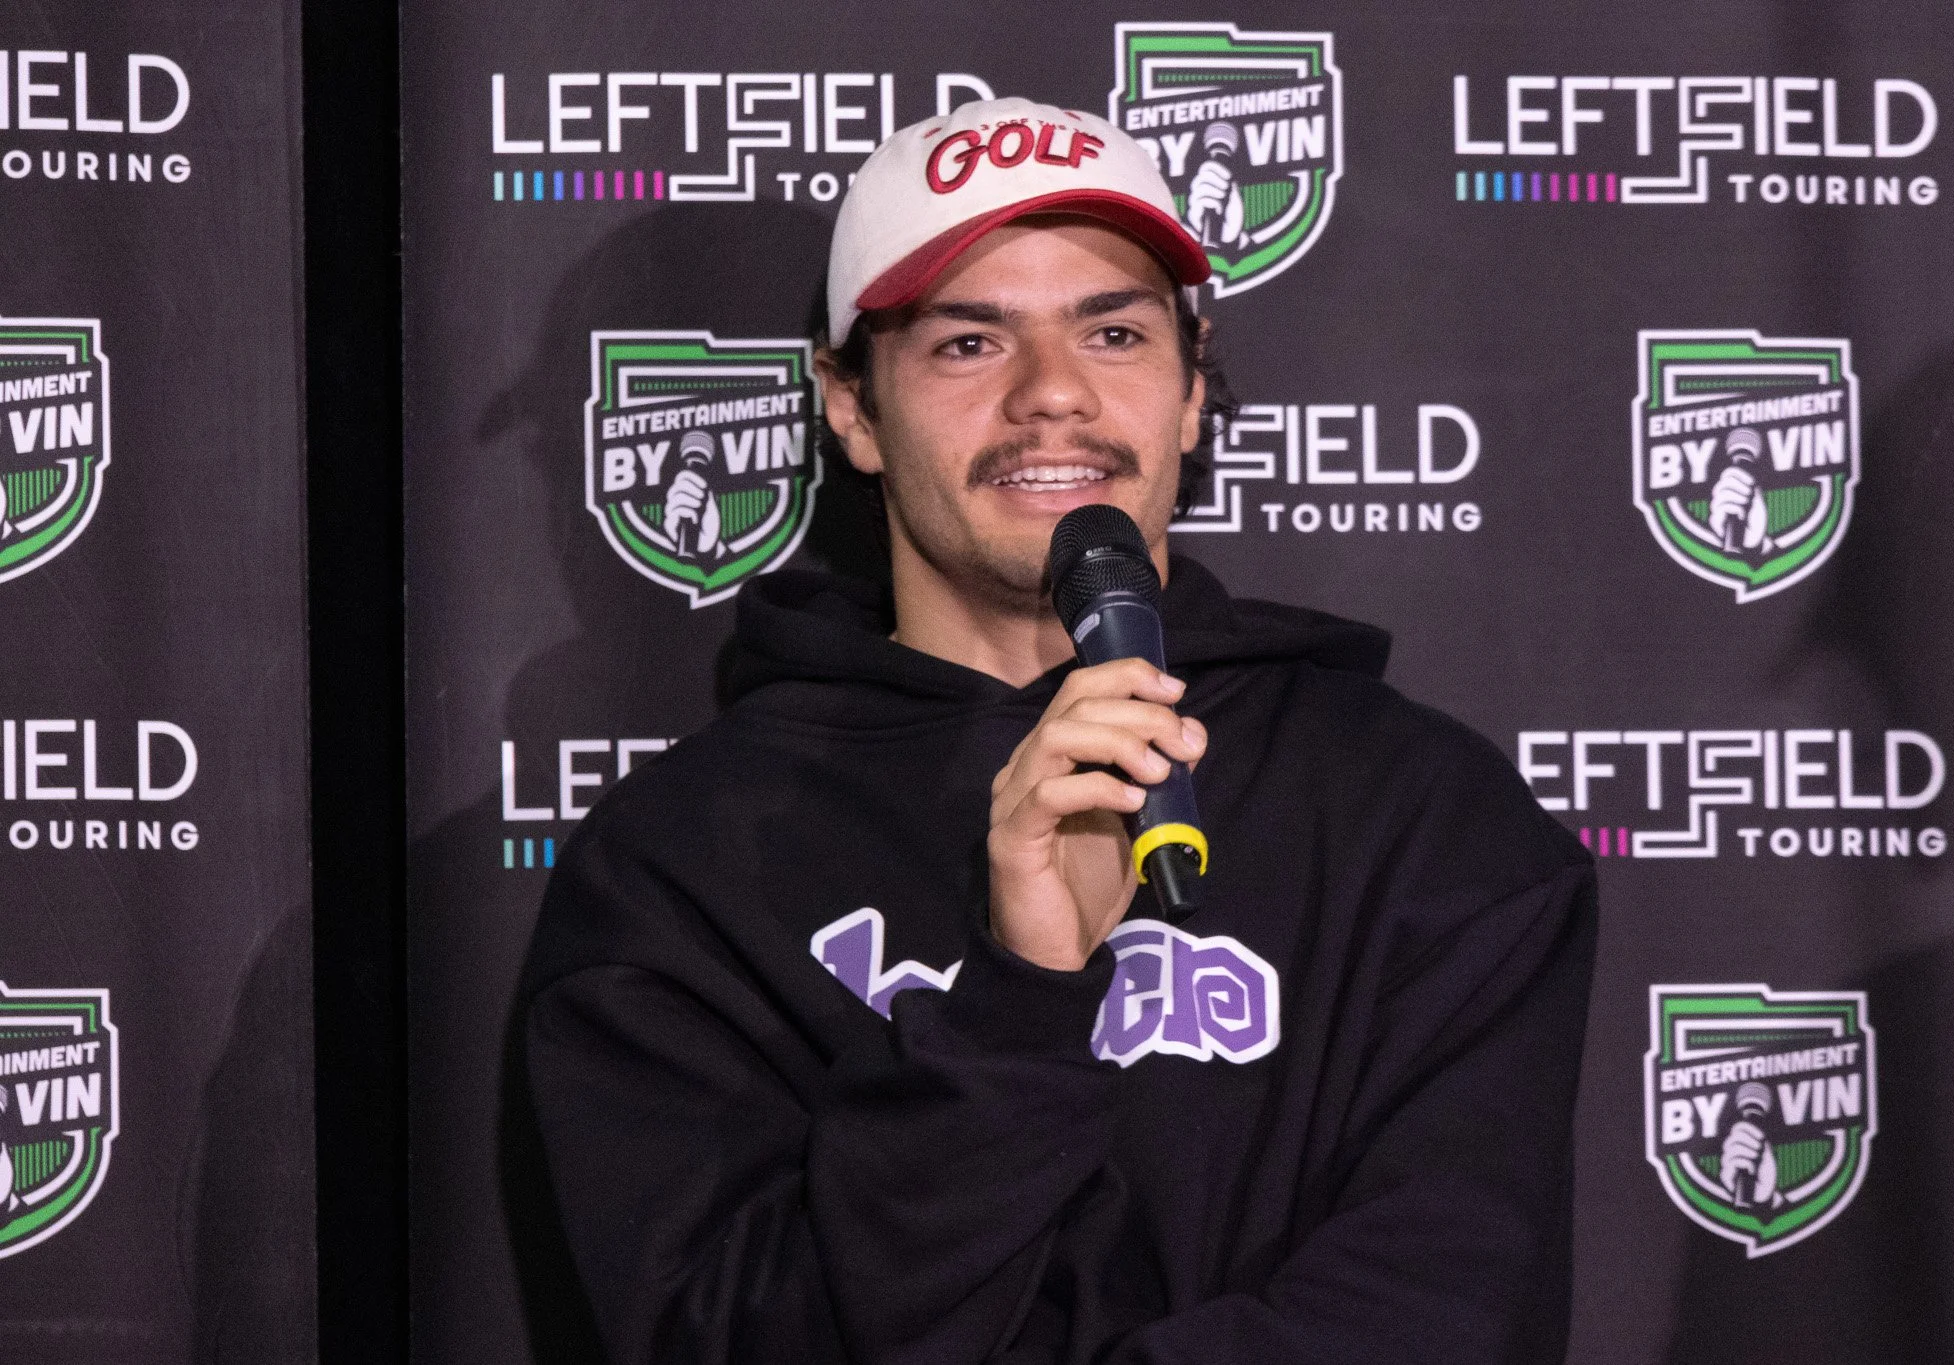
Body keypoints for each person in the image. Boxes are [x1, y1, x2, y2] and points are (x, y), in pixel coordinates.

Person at [520, 96, 1598, 1365]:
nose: (1051, 395)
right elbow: (731, 1339)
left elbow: (1437, 1311)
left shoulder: (1427, 818)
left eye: (1113, 331)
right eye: (968, 342)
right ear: (851, 406)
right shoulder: (676, 867)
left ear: (1190, 388)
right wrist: (1019, 999)